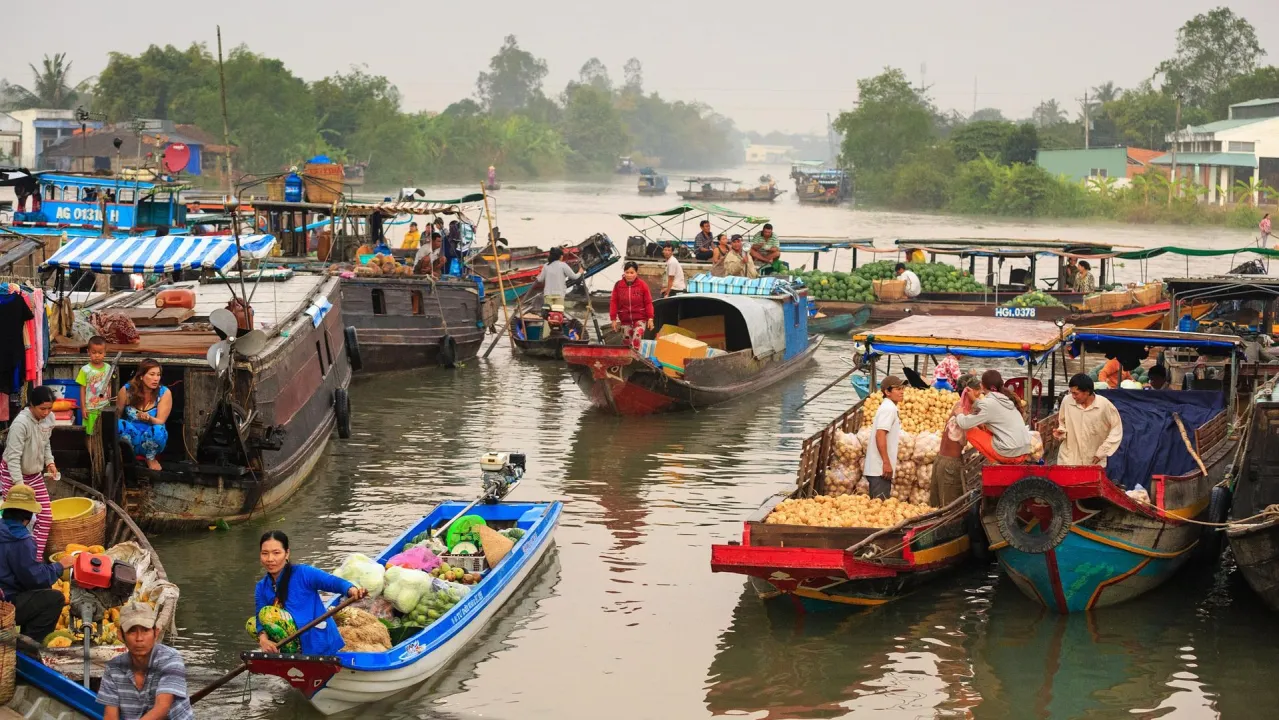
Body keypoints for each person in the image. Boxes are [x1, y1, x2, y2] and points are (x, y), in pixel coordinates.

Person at [255, 530, 366, 656]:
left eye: (276, 553)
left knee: (267, 614)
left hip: (316, 640)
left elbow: (331, 582)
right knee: (253, 622)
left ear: (287, 554)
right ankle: (287, 654)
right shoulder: (261, 587)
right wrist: (263, 640)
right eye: (265, 553)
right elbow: (259, 619)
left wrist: (352, 590)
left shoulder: (303, 573)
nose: (270, 559)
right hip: (289, 641)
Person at [0, 485, 75, 643]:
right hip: (6, 602)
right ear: (27, 517)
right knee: (54, 598)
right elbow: (35, 578)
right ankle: (28, 646)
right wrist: (60, 566)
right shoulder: (22, 540)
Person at [97, 601, 194, 720]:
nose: (139, 638)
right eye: (132, 631)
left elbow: (162, 708)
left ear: (156, 633)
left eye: (145, 630)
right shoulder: (113, 668)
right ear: (121, 636)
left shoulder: (170, 659)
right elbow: (110, 717)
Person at [1, 386, 57, 559]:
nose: (46, 412)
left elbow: (46, 442)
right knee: (15, 520)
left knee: (45, 516)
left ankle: (35, 558)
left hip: (34, 475)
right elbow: (13, 457)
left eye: (49, 408)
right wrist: (19, 486)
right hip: (13, 474)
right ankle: (9, 557)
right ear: (32, 405)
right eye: (42, 409)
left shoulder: (49, 419)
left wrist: (50, 461)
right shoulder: (21, 424)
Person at [954, 369, 1033, 463]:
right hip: (1023, 450)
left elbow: (964, 424)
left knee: (969, 431)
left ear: (982, 385)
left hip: (1010, 453)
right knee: (985, 428)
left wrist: (959, 413)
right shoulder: (1004, 398)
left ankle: (996, 462)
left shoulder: (988, 403)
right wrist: (975, 401)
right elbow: (990, 407)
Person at [1055, 374, 1123, 467]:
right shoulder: (1067, 401)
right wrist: (1061, 432)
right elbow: (1062, 423)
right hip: (1068, 459)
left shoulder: (1104, 405)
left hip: (1094, 460)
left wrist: (1102, 451)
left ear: (1087, 392)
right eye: (1071, 393)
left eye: (1076, 393)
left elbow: (1116, 430)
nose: (1073, 396)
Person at [934, 374, 982, 505]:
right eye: (978, 390)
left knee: (940, 506)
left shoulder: (958, 406)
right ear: (969, 391)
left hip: (940, 461)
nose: (981, 393)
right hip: (950, 465)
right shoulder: (966, 413)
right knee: (950, 507)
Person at [116, 360, 171, 471]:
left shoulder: (164, 392)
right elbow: (117, 415)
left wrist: (149, 418)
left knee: (159, 430)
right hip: (131, 438)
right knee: (118, 424)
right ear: (141, 376)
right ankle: (126, 456)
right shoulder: (126, 390)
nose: (156, 378)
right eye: (152, 374)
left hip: (151, 440)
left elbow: (161, 420)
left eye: (158, 375)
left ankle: (150, 458)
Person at [863, 376, 904, 499]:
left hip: (879, 469)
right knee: (879, 506)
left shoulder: (889, 407)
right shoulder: (888, 409)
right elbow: (880, 434)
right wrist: (886, 462)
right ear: (887, 392)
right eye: (898, 389)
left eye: (902, 388)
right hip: (879, 469)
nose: (902, 392)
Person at [609, 261, 654, 351]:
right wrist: (613, 319)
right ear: (624, 273)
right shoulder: (618, 285)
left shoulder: (642, 285)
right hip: (625, 320)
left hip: (640, 318)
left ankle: (634, 358)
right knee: (626, 342)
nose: (629, 275)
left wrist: (650, 318)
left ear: (636, 273)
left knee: (637, 337)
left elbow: (648, 302)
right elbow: (614, 302)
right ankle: (627, 361)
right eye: (627, 272)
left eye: (632, 273)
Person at [77, 336, 113, 435]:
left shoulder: (108, 368)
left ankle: (102, 451)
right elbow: (82, 389)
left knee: (104, 433)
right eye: (94, 352)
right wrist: (83, 407)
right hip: (90, 409)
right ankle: (91, 451)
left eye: (100, 353)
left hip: (105, 407)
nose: (97, 355)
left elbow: (109, 384)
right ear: (88, 352)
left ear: (105, 352)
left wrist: (109, 397)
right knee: (90, 434)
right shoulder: (85, 370)